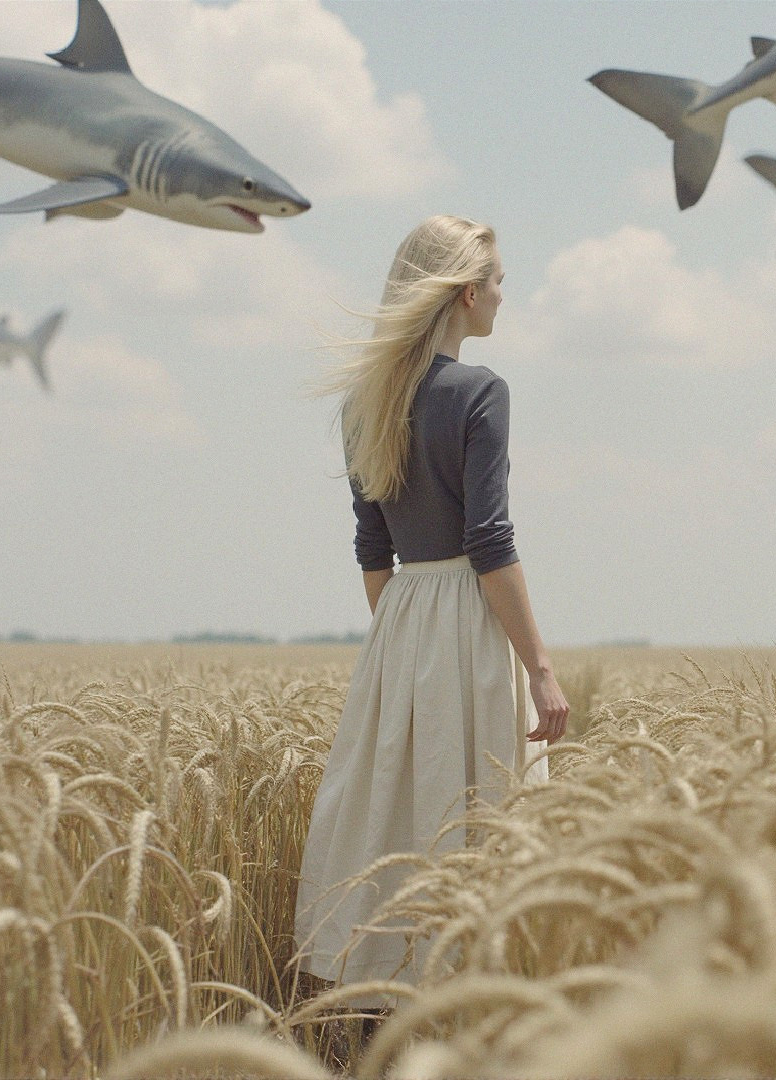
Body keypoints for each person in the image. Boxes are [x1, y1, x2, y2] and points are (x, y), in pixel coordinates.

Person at [295, 215, 568, 991]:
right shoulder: (481, 390)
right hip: (467, 617)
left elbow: (371, 547)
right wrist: (541, 668)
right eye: (498, 280)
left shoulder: (363, 402)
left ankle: (369, 985)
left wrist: (398, 642)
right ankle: (466, 993)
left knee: (389, 808)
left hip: (400, 617)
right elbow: (490, 540)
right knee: (475, 813)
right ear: (464, 291)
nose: (503, 296)